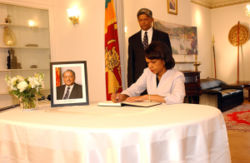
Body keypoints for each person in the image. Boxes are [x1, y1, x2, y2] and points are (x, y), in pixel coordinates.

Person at [112, 41, 185, 104]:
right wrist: (122, 96)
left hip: (169, 114)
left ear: (164, 60)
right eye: (148, 63)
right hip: (152, 113)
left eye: (153, 62)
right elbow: (135, 89)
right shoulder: (147, 72)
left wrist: (146, 97)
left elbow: (177, 99)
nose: (150, 66)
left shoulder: (177, 76)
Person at [127, 8, 172, 88]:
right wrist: (131, 84)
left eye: (146, 19)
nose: (143, 22)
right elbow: (131, 63)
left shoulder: (163, 36)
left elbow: (168, 58)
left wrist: (167, 78)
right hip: (139, 81)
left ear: (152, 20)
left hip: (159, 79)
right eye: (140, 20)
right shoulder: (132, 39)